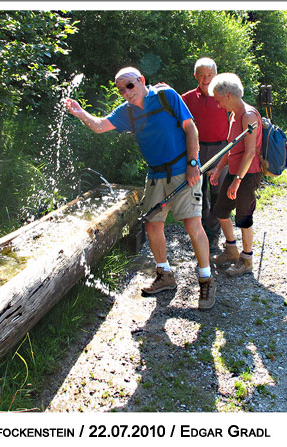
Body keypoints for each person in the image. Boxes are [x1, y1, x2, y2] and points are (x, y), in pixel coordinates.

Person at [65, 67, 215, 309]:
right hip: (155, 174)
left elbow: (191, 129)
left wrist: (193, 163)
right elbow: (100, 126)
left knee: (192, 224)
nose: (126, 92)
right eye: (121, 89)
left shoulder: (167, 97)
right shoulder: (127, 112)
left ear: (142, 81)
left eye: (130, 86)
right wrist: (81, 112)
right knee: (153, 224)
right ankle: (165, 275)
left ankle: (206, 279)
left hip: (183, 169)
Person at [208, 73, 263, 276]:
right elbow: (231, 147)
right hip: (234, 172)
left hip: (248, 174)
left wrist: (237, 181)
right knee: (220, 211)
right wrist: (219, 168)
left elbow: (249, 152)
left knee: (243, 216)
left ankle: (246, 260)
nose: (218, 105)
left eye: (219, 100)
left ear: (229, 95)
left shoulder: (248, 116)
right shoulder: (233, 115)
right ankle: (231, 251)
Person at [181, 58, 229, 251]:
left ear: (216, 75)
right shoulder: (186, 98)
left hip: (221, 150)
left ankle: (215, 232)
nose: (206, 79)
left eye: (209, 75)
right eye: (202, 75)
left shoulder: (225, 95)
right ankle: (202, 233)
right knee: (198, 194)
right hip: (197, 151)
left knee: (218, 193)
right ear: (195, 76)